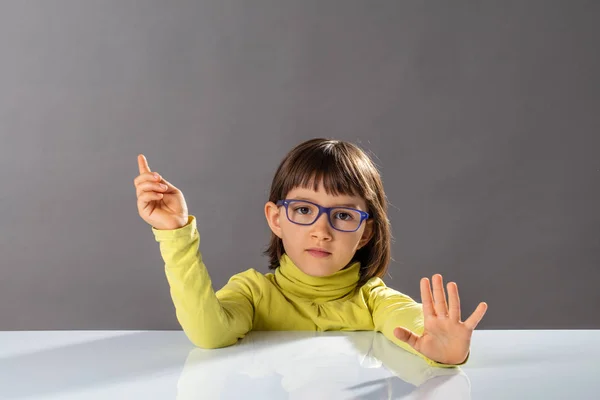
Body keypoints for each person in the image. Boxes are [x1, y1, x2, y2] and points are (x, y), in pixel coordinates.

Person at [133, 138, 488, 368]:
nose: (322, 231)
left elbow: (414, 324)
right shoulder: (254, 294)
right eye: (303, 210)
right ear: (276, 218)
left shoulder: (373, 300)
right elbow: (209, 334)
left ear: (365, 233)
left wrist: (443, 351)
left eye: (344, 215)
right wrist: (174, 233)